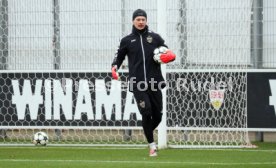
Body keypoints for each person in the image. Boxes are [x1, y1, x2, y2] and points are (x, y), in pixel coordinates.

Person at [111, 9, 175, 157]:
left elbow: (166, 52)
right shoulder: (127, 40)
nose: (140, 22)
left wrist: (169, 56)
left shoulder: (155, 37)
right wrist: (114, 67)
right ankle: (152, 146)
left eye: (143, 19)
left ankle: (147, 132)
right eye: (138, 19)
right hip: (137, 83)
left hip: (155, 82)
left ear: (146, 21)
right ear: (133, 21)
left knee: (158, 116)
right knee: (146, 113)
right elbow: (119, 56)